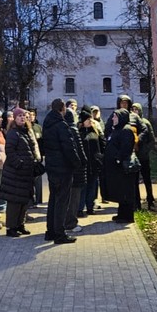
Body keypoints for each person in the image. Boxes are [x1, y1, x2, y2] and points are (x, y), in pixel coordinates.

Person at [40, 98, 82, 244]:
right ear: (62, 109)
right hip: (63, 168)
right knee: (62, 201)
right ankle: (59, 234)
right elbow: (69, 147)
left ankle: (50, 231)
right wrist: (77, 163)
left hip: (52, 167)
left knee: (53, 199)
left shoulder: (47, 123)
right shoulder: (62, 125)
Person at [0, 107, 35, 237]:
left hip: (25, 174)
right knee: (14, 202)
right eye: (19, 116)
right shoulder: (14, 133)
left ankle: (20, 224)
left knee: (23, 201)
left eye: (24, 116)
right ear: (15, 118)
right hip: (15, 174)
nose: (22, 118)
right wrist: (19, 164)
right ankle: (11, 227)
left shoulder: (26, 131)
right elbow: (10, 151)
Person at [103, 108, 140, 223]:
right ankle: (121, 214)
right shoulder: (117, 129)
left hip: (124, 167)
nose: (113, 118)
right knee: (120, 191)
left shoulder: (126, 130)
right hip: (117, 168)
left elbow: (126, 148)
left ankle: (128, 216)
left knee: (126, 191)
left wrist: (118, 158)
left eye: (115, 117)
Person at [65, 108, 88, 234]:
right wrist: (83, 162)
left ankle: (67, 222)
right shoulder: (73, 130)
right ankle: (71, 223)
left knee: (69, 198)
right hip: (76, 170)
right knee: (74, 198)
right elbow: (79, 150)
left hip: (68, 170)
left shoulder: (64, 129)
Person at [130, 102, 156, 210]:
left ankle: (151, 201)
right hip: (134, 157)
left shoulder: (145, 123)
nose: (135, 111)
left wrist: (145, 151)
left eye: (136, 109)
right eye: (133, 109)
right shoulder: (131, 124)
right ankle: (137, 204)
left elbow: (152, 139)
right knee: (134, 181)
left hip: (144, 157)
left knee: (147, 180)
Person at [78, 108, 104, 216]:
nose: (90, 121)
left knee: (92, 186)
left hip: (94, 163)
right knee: (83, 187)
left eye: (90, 119)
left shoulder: (95, 132)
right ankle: (80, 208)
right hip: (84, 164)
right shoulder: (80, 133)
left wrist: (100, 158)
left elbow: (101, 145)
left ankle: (90, 206)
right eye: (87, 120)